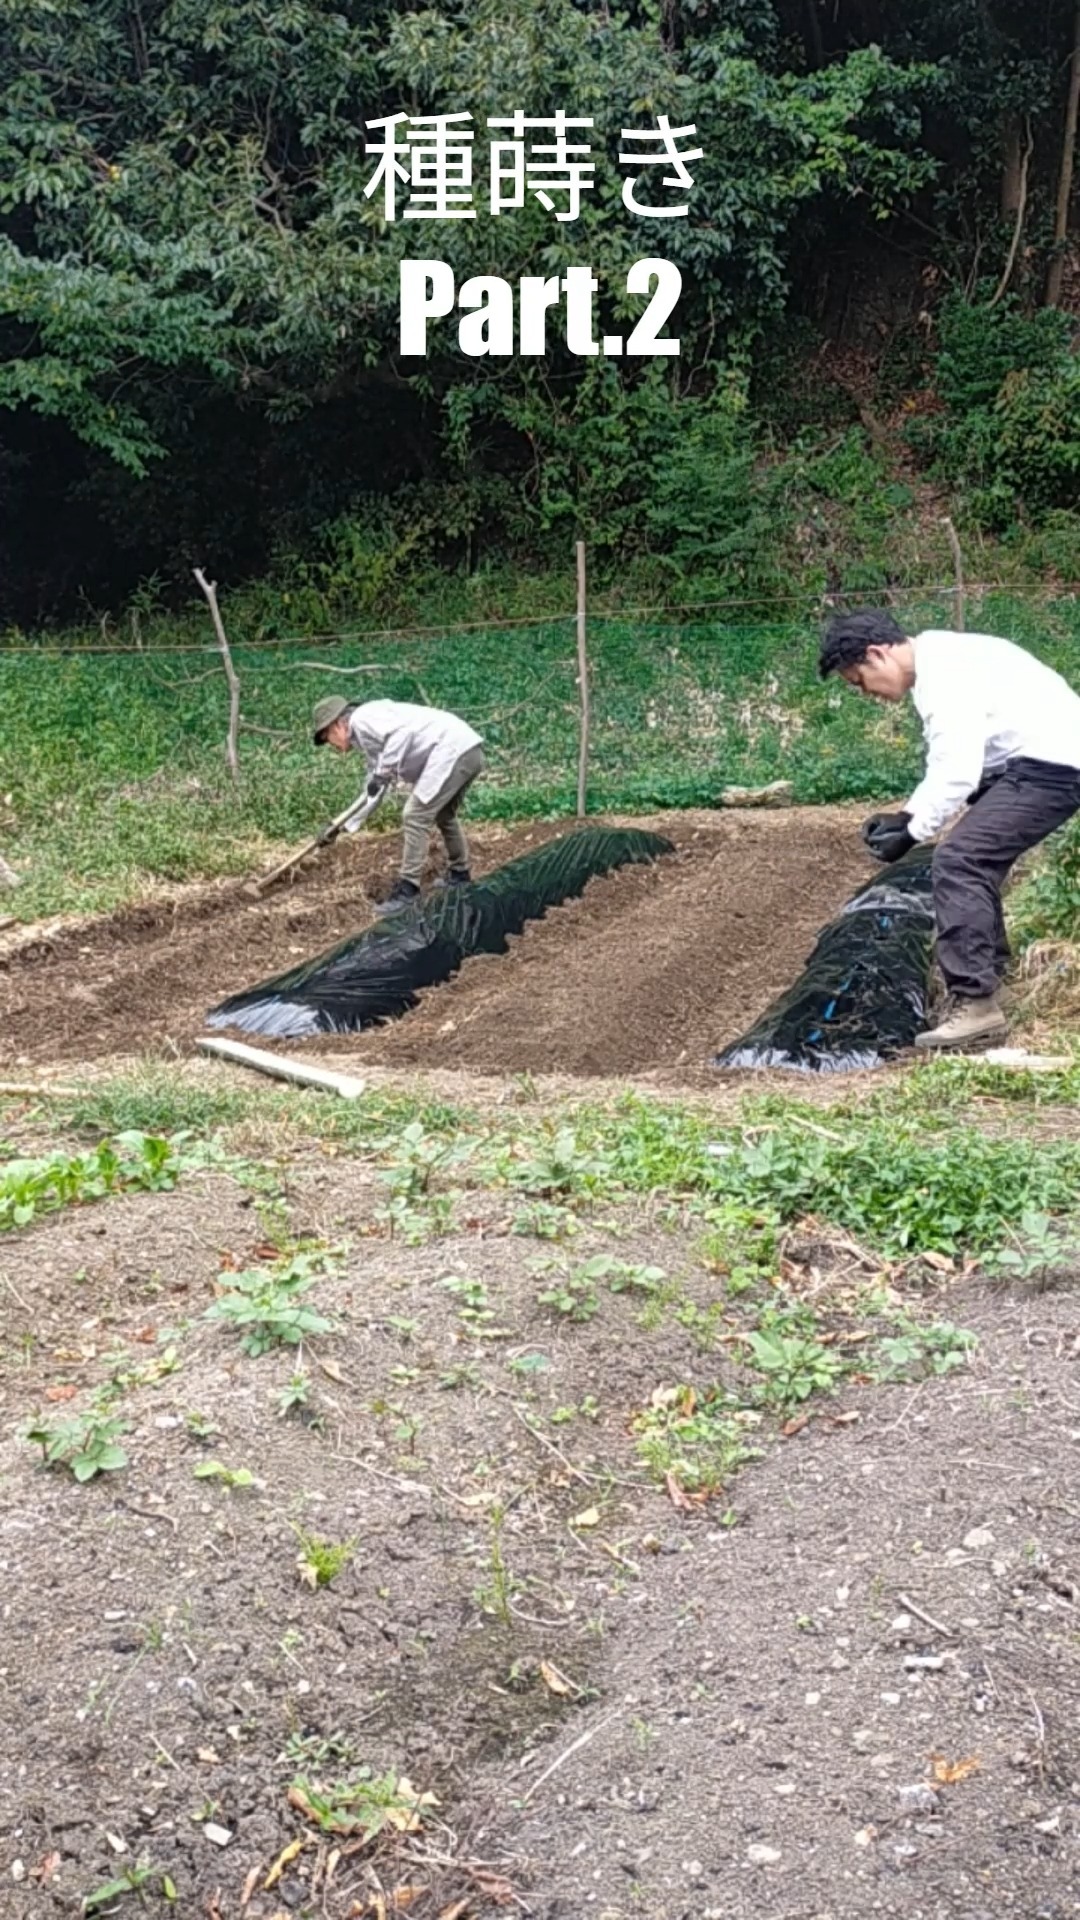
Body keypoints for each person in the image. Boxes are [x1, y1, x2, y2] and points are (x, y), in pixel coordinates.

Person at [819, 610, 1080, 1052]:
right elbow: (963, 761)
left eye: (859, 681)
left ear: (877, 654)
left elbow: (957, 770)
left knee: (961, 860)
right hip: (1044, 760)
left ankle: (977, 1005)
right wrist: (909, 815)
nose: (867, 693)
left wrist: (911, 829)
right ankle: (993, 981)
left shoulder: (943, 674)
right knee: (975, 857)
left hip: (1053, 767)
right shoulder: (948, 656)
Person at [311, 695, 485, 914]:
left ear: (337, 724)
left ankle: (408, 891)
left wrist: (383, 772)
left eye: (327, 738)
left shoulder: (363, 720)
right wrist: (339, 825)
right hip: (468, 750)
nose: (331, 745)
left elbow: (401, 734)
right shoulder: (366, 735)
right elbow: (373, 790)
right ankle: (460, 875)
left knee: (414, 815)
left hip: (453, 752)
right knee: (443, 814)